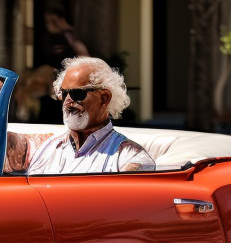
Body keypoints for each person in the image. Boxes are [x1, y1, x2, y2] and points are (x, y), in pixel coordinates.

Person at [26, 56, 155, 174]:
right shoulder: (49, 149)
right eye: (64, 93)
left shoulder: (129, 157)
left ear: (104, 98)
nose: (67, 102)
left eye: (77, 94)